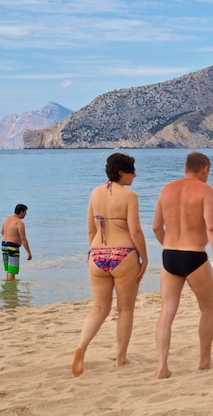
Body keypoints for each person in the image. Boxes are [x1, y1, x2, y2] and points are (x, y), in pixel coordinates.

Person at [71, 153, 149, 377]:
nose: (135, 175)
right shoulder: (130, 196)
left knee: (99, 308)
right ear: (121, 172)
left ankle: (82, 347)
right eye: (132, 170)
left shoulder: (94, 193)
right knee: (125, 309)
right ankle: (121, 359)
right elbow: (135, 231)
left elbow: (90, 230)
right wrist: (144, 258)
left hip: (97, 255)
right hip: (123, 254)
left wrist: (96, 252)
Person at [153, 152, 213, 378]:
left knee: (167, 311)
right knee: (207, 309)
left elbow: (156, 227)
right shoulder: (205, 190)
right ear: (205, 169)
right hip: (194, 256)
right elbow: (211, 227)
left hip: (169, 256)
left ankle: (162, 365)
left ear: (186, 168)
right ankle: (204, 361)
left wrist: (170, 246)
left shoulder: (166, 189)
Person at [0, 204, 32, 281]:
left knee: (8, 268)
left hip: (4, 245)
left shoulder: (6, 219)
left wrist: (10, 236)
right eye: (25, 212)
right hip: (12, 247)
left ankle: (8, 287)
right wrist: (28, 252)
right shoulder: (19, 223)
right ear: (21, 212)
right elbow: (23, 239)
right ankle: (11, 289)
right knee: (12, 270)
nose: (26, 214)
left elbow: (2, 232)